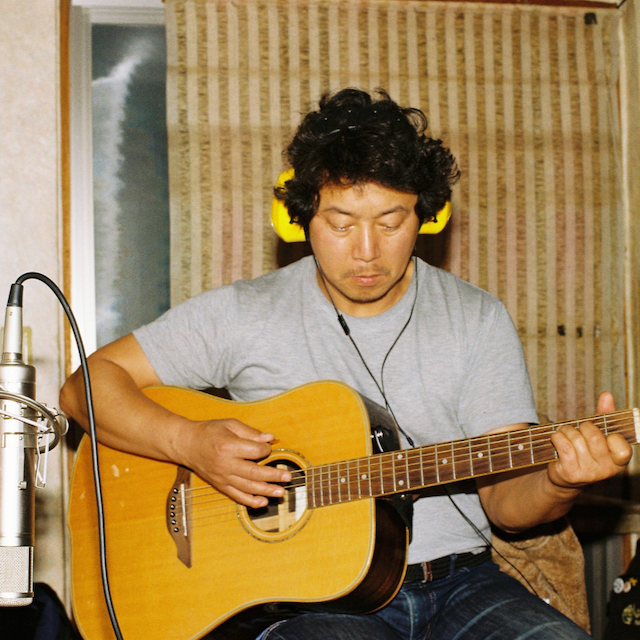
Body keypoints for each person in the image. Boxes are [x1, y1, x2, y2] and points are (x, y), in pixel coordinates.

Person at [60, 88, 632, 640]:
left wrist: (559, 481)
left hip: (463, 586)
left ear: (426, 216)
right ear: (300, 219)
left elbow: (507, 507)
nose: (366, 251)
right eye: (340, 224)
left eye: (391, 222)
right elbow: (84, 387)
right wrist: (189, 443)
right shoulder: (243, 312)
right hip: (314, 604)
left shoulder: (475, 318)